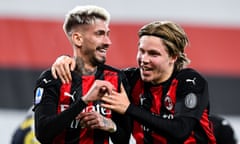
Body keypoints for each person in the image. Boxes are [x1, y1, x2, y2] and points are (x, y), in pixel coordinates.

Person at [51, 21, 216, 143]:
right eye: (141, 51)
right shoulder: (130, 79)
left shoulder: (190, 82)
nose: (144, 60)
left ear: (173, 56)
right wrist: (67, 60)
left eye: (153, 54)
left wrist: (129, 108)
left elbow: (180, 130)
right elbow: (92, 69)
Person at [33, 5, 131, 144]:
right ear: (78, 39)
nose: (108, 42)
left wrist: (111, 126)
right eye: (99, 34)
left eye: (107, 34)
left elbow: (123, 138)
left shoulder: (116, 78)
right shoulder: (53, 77)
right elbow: (43, 133)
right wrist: (84, 101)